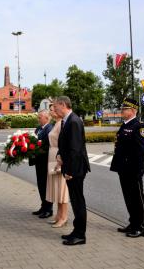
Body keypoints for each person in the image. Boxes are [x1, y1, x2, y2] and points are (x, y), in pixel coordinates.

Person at [54, 96, 90, 246]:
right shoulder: (68, 120)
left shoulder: (74, 121)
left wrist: (70, 170)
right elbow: (66, 145)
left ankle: (80, 235)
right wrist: (60, 155)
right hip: (71, 166)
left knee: (78, 201)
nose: (55, 110)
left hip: (75, 169)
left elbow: (75, 150)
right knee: (75, 201)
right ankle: (76, 231)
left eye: (56, 107)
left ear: (63, 105)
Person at [110, 98, 144, 238]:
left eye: (125, 109)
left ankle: (140, 227)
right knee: (128, 198)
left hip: (133, 170)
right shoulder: (124, 125)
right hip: (123, 169)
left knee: (137, 198)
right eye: (122, 108)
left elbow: (141, 151)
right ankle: (132, 223)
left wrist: (138, 171)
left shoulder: (139, 127)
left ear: (133, 111)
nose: (122, 110)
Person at [45, 103, 69, 228]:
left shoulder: (62, 124)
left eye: (52, 110)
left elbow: (64, 144)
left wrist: (61, 161)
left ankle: (64, 217)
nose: (50, 112)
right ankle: (59, 215)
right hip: (52, 156)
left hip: (59, 158)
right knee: (56, 189)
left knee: (62, 190)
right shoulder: (56, 123)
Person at [28, 109, 53, 218]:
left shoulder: (50, 129)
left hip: (46, 162)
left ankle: (49, 209)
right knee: (40, 185)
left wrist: (38, 149)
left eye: (40, 117)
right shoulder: (38, 128)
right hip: (38, 162)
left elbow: (49, 146)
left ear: (46, 118)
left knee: (46, 186)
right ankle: (43, 206)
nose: (38, 119)